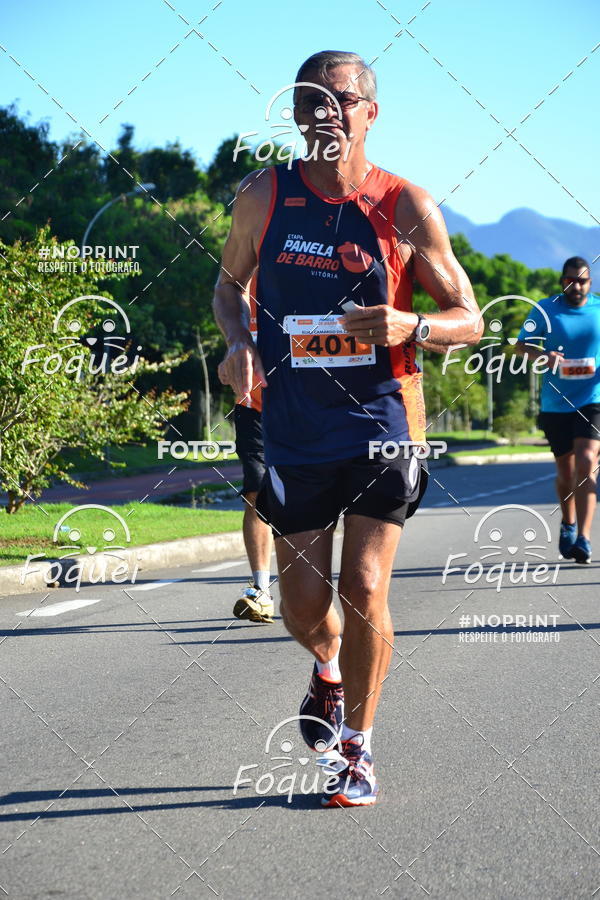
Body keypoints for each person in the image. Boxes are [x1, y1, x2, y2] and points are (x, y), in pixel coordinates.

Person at [213, 50, 482, 807]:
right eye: (308, 100)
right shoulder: (264, 195)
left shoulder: (406, 207)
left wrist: (412, 321)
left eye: (338, 98)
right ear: (295, 115)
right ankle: (326, 670)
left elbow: (473, 322)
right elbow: (229, 287)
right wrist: (237, 343)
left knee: (365, 585)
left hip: (384, 421)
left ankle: (357, 751)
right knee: (305, 607)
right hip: (295, 429)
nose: (322, 111)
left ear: (370, 112)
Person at [515, 257, 600, 564]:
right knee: (565, 471)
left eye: (582, 281)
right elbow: (520, 345)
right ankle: (568, 522)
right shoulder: (544, 309)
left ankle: (585, 539)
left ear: (590, 283)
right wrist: (543, 354)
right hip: (555, 402)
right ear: (562, 281)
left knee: (587, 461)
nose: (575, 286)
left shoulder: (599, 309)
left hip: (593, 398)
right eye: (570, 280)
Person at [221, 278, 274, 624]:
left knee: (311, 488)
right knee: (255, 489)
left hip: (306, 401)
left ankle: (314, 586)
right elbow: (226, 310)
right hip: (252, 400)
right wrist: (230, 354)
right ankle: (261, 590)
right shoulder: (240, 267)